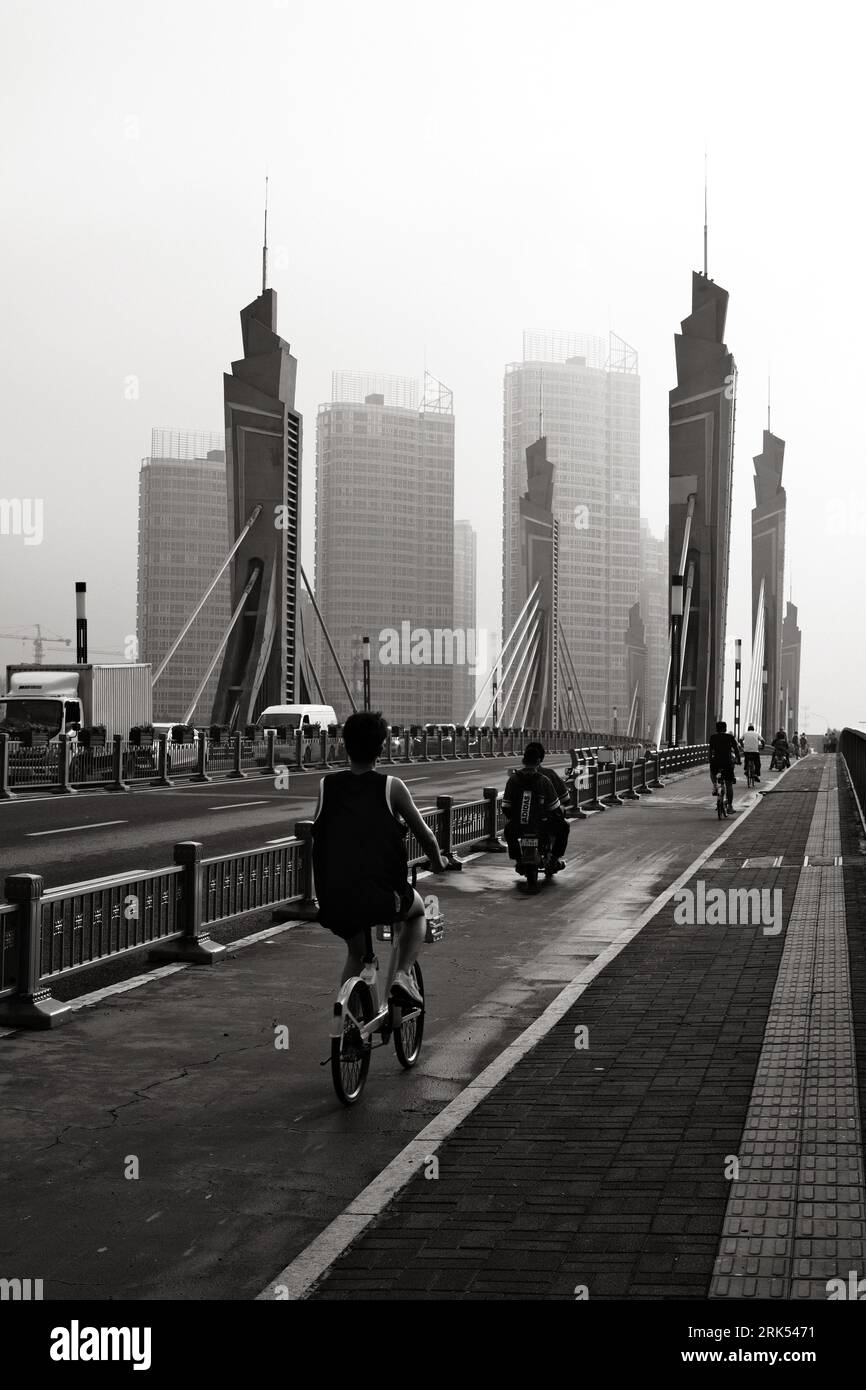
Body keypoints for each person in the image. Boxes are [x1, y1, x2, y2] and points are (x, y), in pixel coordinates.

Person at [312, 710, 447, 1008]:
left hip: (334, 900)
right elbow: (426, 836)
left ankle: (347, 1022)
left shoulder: (326, 786)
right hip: (382, 897)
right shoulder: (391, 787)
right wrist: (437, 863)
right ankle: (403, 975)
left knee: (356, 954)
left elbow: (321, 838)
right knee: (418, 912)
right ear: (382, 747)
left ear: (345, 746)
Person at [502, 741, 568, 869]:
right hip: (543, 826)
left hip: (519, 826)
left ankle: (518, 859)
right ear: (538, 761)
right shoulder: (544, 780)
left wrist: (515, 818)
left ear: (523, 760)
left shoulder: (513, 779)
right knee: (564, 827)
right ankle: (554, 859)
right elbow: (554, 807)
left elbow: (506, 806)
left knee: (508, 831)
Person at [708, 719, 741, 812]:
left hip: (716, 762)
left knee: (712, 771)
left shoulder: (712, 737)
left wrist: (710, 760)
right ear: (725, 728)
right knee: (729, 784)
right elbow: (736, 749)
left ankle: (714, 785)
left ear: (716, 729)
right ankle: (730, 806)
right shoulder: (730, 737)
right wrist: (738, 759)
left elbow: (710, 750)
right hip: (727, 763)